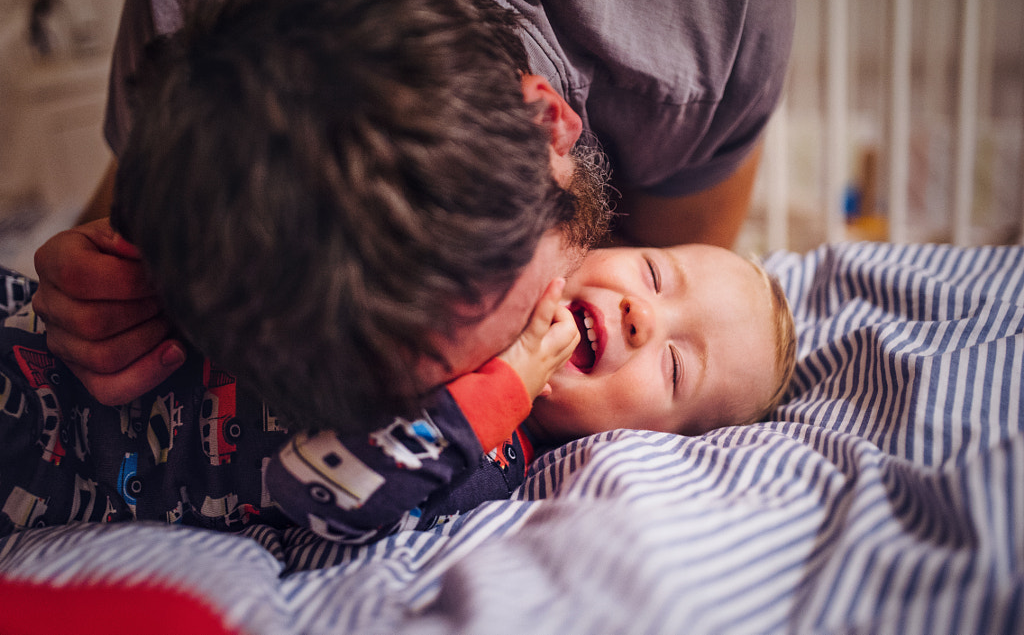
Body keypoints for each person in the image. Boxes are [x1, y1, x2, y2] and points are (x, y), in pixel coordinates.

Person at [31, 0, 796, 420]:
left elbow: (689, 290)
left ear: (548, 121)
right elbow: (122, 238)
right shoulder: (187, 26)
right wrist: (104, 289)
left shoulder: (717, 22)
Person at [0, 243, 795, 539]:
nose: (641, 313)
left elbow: (319, 486)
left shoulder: (484, 460)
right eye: (655, 274)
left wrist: (503, 388)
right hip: (48, 322)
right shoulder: (482, 237)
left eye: (674, 367)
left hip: (58, 451)